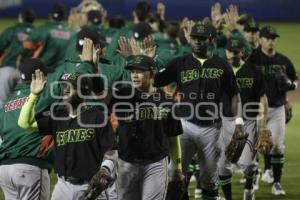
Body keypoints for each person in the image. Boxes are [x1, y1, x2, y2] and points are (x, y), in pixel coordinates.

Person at [154, 23, 240, 200]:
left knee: (209, 177)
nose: (197, 42)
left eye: (202, 39)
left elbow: (234, 95)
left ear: (211, 40)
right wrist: (150, 60)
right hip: (184, 127)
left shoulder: (222, 65)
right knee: (175, 174)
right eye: (194, 38)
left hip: (212, 129)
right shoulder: (180, 63)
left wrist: (236, 124)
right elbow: (156, 81)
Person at [18, 70, 118, 200]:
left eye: (72, 87)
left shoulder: (97, 117)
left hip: (90, 186)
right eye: (65, 86)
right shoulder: (57, 116)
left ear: (84, 91)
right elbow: (25, 123)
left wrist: (105, 169)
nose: (66, 90)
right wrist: (33, 95)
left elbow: (111, 150)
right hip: (62, 187)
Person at [109, 55, 183, 200]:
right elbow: (100, 96)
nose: (134, 75)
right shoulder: (123, 95)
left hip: (156, 164)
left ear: (152, 73)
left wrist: (178, 167)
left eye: (140, 71)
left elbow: (173, 138)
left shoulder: (166, 101)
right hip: (126, 163)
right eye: (132, 72)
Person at [217, 38, 268, 200]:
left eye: (236, 51)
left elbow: (263, 98)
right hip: (224, 121)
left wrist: (263, 126)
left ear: (242, 52)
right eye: (230, 51)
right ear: (226, 52)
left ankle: (248, 188)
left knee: (247, 164)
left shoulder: (254, 71)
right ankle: (228, 197)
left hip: (248, 121)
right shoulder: (220, 71)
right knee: (222, 166)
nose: (233, 54)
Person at [251, 25, 298, 195]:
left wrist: (291, 85)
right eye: (267, 38)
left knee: (277, 147)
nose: (271, 41)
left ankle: (276, 183)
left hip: (277, 109)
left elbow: (295, 80)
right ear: (260, 40)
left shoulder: (284, 61)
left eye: (273, 38)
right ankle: (253, 179)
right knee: (254, 148)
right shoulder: (253, 59)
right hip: (255, 109)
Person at [0, 58, 53, 200]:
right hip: (29, 166)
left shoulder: (7, 101)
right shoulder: (43, 97)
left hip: (5, 170)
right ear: (40, 76)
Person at [23, 3, 74, 72]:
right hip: (63, 72)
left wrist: (37, 46)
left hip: (43, 70)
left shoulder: (44, 29)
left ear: (50, 15)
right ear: (64, 16)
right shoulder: (72, 33)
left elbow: (26, 44)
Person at [0, 8, 35, 107]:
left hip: (7, 70)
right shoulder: (37, 33)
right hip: (27, 73)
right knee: (20, 105)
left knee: (1, 102)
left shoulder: (12, 31)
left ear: (20, 18)